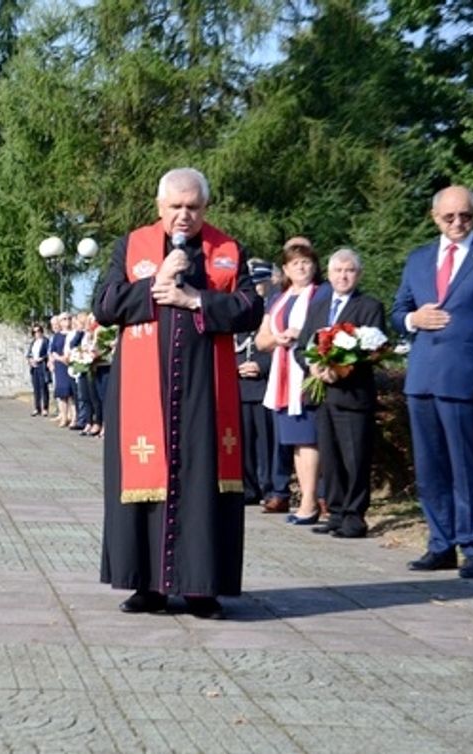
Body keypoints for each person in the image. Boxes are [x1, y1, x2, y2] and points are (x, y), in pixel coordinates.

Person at [94, 167, 263, 619]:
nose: (184, 216)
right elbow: (106, 305)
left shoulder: (227, 250)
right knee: (145, 486)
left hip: (206, 393)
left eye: (193, 207)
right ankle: (145, 586)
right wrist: (157, 283)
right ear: (160, 208)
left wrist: (196, 301)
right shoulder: (131, 246)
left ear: (205, 208)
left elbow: (252, 309)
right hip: (141, 392)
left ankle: (200, 587)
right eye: (175, 207)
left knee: (202, 484)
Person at [392, 185, 473, 578]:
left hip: (467, 378)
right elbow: (398, 311)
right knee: (430, 468)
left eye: (466, 216)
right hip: (423, 377)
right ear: (435, 218)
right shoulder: (418, 259)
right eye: (449, 217)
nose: (458, 223)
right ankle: (440, 543)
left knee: (468, 467)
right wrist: (414, 320)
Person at [297, 249, 385, 538]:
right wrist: (312, 367)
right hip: (323, 396)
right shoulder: (318, 306)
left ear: (358, 275)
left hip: (353, 395)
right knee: (331, 458)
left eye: (349, 271)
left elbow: (372, 349)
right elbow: (301, 347)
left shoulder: (369, 306)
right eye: (338, 271)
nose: (343, 276)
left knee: (354, 457)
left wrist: (339, 368)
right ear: (329, 274)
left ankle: (354, 515)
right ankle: (335, 512)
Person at [257, 238, 328, 523]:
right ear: (285, 269)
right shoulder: (278, 299)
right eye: (295, 262)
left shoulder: (321, 294)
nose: (301, 267)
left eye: (306, 262)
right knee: (296, 440)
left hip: (306, 373)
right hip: (283, 374)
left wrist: (302, 334)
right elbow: (262, 339)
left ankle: (310, 502)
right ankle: (307, 499)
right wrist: (278, 338)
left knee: (308, 439)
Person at [236, 260, 275, 506]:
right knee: (243, 441)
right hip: (239, 384)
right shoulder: (239, 310)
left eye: (260, 283)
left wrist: (262, 366)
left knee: (267, 442)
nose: (256, 288)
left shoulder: (273, 310)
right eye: (252, 283)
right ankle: (248, 487)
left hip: (265, 385)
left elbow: (277, 348)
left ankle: (270, 488)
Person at [49, 313, 76, 427]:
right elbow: (53, 350)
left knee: (73, 394)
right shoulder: (57, 336)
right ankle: (64, 417)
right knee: (62, 393)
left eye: (69, 318)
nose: (67, 321)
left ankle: (74, 418)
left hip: (71, 365)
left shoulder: (74, 334)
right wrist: (59, 358)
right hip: (60, 366)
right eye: (64, 319)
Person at [26, 323, 49, 417]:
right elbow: (29, 354)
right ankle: (37, 408)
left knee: (43, 387)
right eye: (34, 332)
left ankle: (45, 408)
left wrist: (42, 358)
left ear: (42, 331)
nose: (37, 333)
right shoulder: (33, 342)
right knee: (36, 388)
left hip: (42, 366)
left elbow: (48, 353)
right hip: (34, 367)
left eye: (38, 331)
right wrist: (30, 360)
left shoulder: (46, 341)